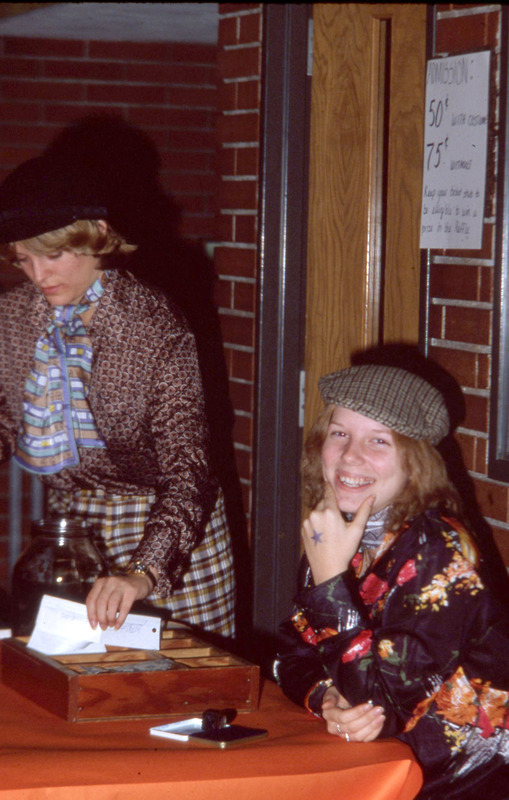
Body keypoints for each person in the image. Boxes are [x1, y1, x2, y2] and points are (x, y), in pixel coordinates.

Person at [0, 153, 235, 637]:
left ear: (97, 236)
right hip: (72, 531)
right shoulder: (15, 316)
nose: (38, 275)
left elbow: (187, 465)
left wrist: (143, 570)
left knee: (182, 677)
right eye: (24, 259)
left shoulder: (152, 325)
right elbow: (6, 417)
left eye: (52, 255)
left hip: (169, 532)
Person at [275, 364, 509, 799]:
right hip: (382, 767)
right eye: (339, 433)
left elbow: (383, 709)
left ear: (414, 462)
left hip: (458, 784)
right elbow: (290, 651)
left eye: (378, 440)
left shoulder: (441, 551)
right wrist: (326, 696)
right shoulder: (343, 530)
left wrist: (329, 582)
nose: (350, 455)